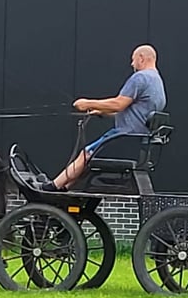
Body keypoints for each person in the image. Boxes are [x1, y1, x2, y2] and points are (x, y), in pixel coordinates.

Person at [41, 44, 167, 192]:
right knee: (88, 160)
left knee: (86, 154)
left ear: (141, 58)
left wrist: (86, 103)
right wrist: (100, 111)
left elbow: (119, 104)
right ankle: (64, 188)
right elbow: (132, 111)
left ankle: (52, 187)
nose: (132, 64)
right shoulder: (157, 82)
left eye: (133, 60)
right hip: (138, 141)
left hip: (124, 136)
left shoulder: (140, 78)